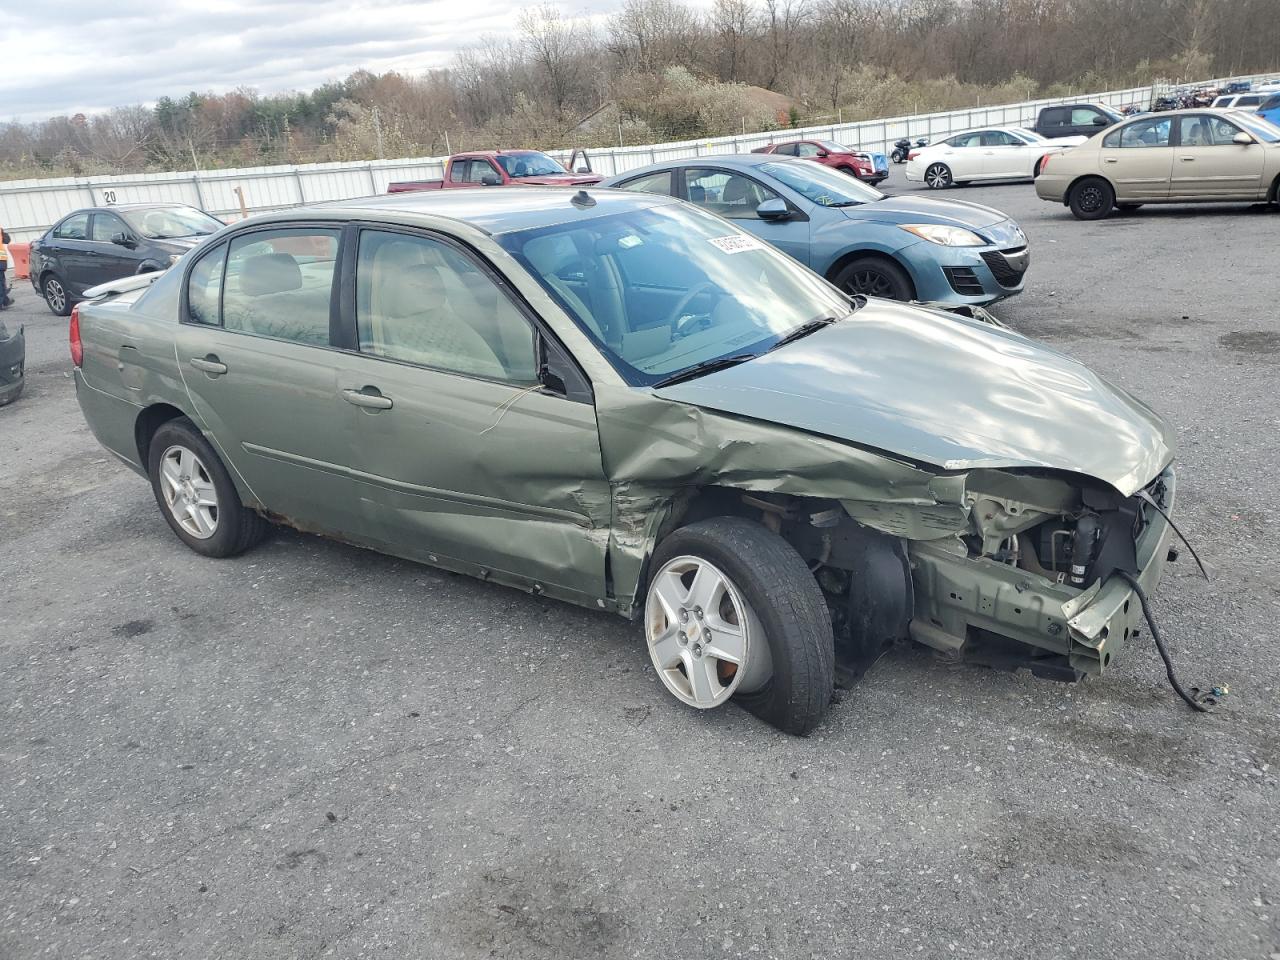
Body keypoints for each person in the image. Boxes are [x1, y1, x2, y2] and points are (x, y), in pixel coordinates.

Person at [0, 227, 11, 308]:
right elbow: (7, 240)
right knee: (1, 282)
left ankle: (4, 301)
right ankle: (4, 301)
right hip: (1, 260)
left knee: (1, 282)